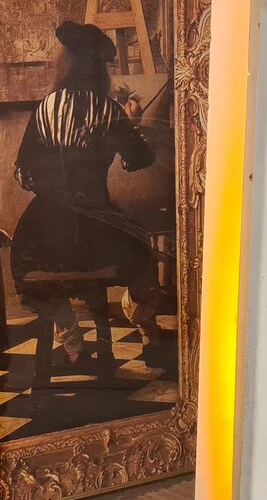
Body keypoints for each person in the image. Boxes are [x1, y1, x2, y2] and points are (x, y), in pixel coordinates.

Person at [11, 20, 162, 365]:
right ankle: (147, 333)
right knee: (143, 250)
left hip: (44, 236)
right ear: (98, 68)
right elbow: (140, 159)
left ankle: (72, 342)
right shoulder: (107, 109)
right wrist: (135, 123)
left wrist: (53, 188)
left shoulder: (45, 107)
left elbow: (23, 173)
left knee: (29, 270)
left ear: (66, 63)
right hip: (97, 233)